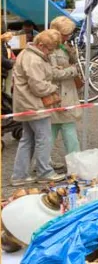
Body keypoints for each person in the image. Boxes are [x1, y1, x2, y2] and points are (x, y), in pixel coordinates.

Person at [11, 30, 69, 185]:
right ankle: (44, 172)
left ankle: (19, 175)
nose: (50, 52)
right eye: (49, 49)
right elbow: (38, 86)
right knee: (44, 138)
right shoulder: (34, 59)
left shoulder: (27, 53)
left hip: (26, 103)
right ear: (41, 45)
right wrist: (52, 88)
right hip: (34, 105)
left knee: (27, 139)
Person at [49, 17, 82, 156]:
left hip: (66, 92)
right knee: (67, 127)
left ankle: (43, 163)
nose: (68, 36)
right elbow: (53, 73)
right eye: (66, 34)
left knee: (53, 129)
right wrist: (73, 70)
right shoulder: (51, 49)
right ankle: (75, 160)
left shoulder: (63, 46)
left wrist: (72, 54)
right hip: (60, 93)